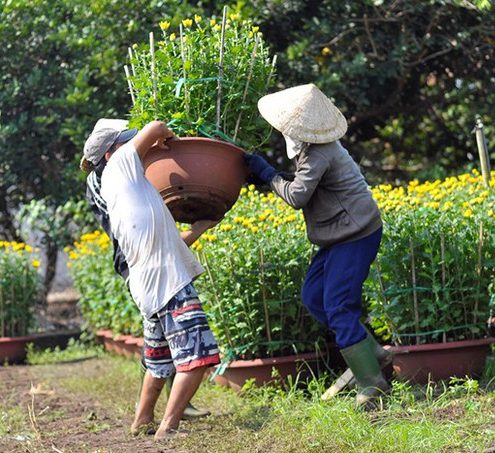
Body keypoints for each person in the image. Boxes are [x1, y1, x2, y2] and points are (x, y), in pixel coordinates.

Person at [243, 84, 391, 409]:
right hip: (337, 235)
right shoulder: (312, 148)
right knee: (314, 298)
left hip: (356, 233)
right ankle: (374, 355)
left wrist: (268, 174)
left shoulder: (320, 150)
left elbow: (297, 196)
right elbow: (302, 183)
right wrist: (271, 177)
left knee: (339, 307)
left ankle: (372, 385)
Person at [81, 120, 221, 438]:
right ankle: (167, 428)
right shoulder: (119, 167)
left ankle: (142, 420)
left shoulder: (128, 191)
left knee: (159, 361)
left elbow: (166, 243)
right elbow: (157, 126)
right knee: (198, 358)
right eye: (127, 143)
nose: (136, 148)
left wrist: (198, 228)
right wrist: (169, 140)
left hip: (149, 283)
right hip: (167, 282)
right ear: (111, 153)